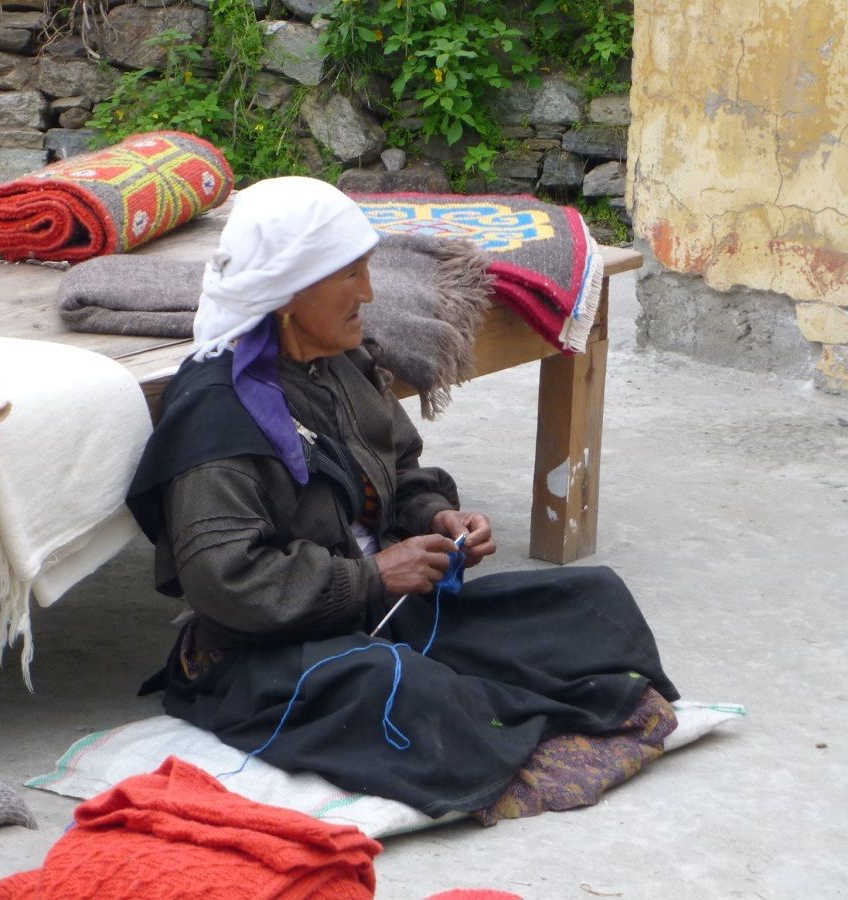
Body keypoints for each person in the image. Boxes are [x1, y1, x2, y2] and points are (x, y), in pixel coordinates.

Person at [127, 177, 678, 819]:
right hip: (263, 651)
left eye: (366, 270)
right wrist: (371, 577)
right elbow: (225, 583)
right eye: (349, 276)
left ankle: (487, 708)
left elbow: (401, 468)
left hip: (378, 611)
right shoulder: (217, 415)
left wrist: (436, 517)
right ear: (287, 293)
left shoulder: (341, 362)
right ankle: (482, 720)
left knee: (591, 601)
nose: (368, 292)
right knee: (400, 690)